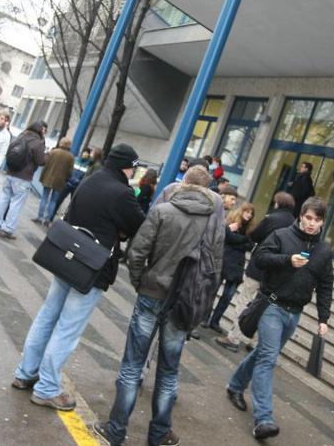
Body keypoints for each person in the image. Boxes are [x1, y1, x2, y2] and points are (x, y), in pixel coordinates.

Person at [92, 165, 224, 446]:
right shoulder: (213, 219)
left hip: (152, 293)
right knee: (169, 370)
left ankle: (116, 430)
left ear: (183, 184)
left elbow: (137, 252)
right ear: (207, 190)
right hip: (183, 301)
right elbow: (215, 265)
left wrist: (142, 282)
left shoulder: (163, 211)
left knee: (132, 365)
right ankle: (159, 433)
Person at [12, 143, 145, 411]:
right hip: (92, 269)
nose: (133, 172)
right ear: (126, 166)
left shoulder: (91, 179)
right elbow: (138, 226)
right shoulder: (123, 193)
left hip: (67, 257)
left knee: (48, 315)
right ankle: (48, 388)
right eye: (133, 167)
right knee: (68, 328)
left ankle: (25, 373)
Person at [225, 197, 334, 440]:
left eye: (316, 220)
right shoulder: (282, 235)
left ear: (322, 222)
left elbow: (325, 284)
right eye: (308, 218)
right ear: (301, 216)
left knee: (262, 353)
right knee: (268, 359)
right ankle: (263, 419)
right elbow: (259, 258)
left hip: (294, 313)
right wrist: (287, 260)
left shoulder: (324, 251)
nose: (311, 224)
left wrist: (323, 317)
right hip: (271, 306)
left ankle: (235, 385)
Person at [216, 192, 296, 352]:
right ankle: (255, 343)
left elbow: (255, 235)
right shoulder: (294, 224)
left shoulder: (271, 219)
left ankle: (234, 338)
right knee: (266, 306)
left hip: (259, 267)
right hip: (278, 273)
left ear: (278, 204)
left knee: (244, 301)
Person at [0, 120, 47, 239]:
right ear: (40, 130)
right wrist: (47, 155)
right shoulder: (38, 143)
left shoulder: (21, 136)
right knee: (16, 203)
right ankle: (7, 229)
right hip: (23, 177)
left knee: (4, 199)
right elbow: (41, 161)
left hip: (11, 172)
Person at [206, 202, 256, 334]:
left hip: (237, 266)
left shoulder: (250, 230)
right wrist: (242, 240)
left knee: (227, 296)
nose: (249, 215)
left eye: (251, 213)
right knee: (212, 291)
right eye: (247, 212)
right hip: (224, 260)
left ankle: (214, 321)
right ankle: (204, 318)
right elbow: (228, 237)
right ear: (242, 211)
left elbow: (250, 245)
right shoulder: (231, 222)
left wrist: (239, 240)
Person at [35, 137, 74, 225]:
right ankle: (48, 219)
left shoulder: (53, 152)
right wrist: (66, 178)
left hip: (48, 178)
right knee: (53, 201)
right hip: (60, 181)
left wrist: (43, 176)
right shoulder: (70, 157)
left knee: (44, 197)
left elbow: (46, 164)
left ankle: (40, 217)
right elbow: (70, 171)